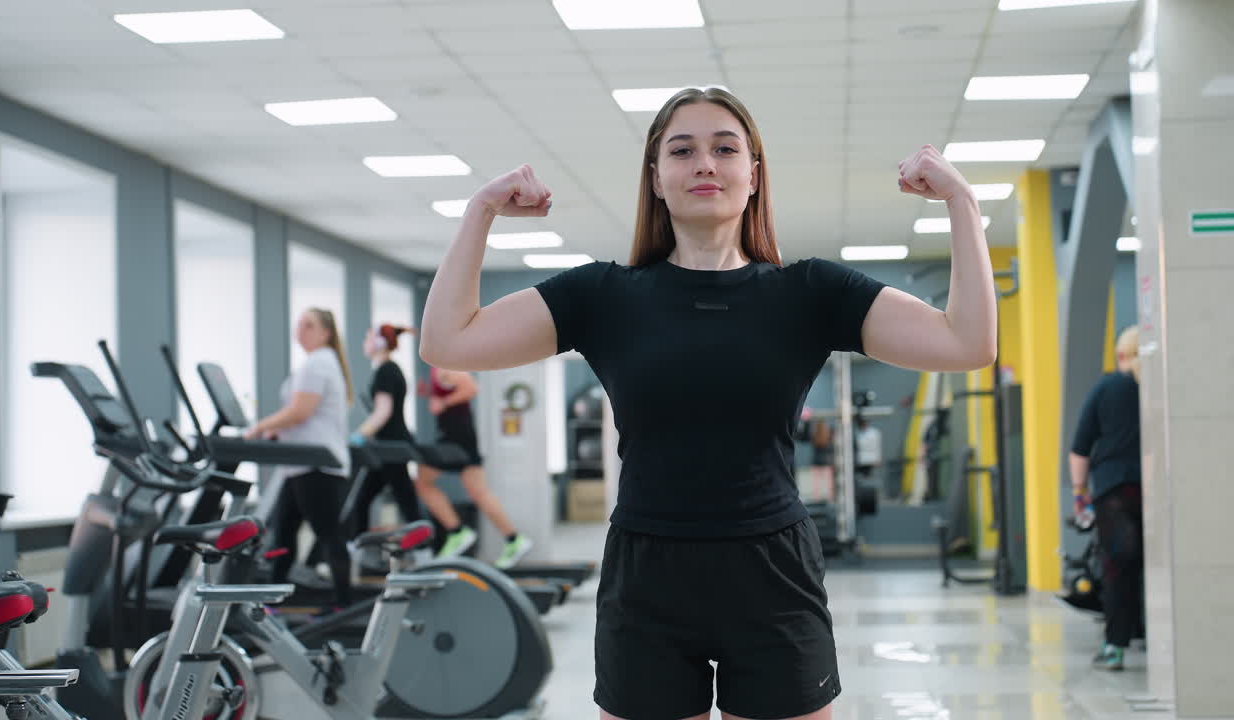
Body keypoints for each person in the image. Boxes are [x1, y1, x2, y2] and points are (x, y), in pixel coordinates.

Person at [419, 87, 997, 720]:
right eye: (682, 150)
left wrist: (962, 203)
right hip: (646, 574)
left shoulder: (809, 293)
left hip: (772, 569)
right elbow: (449, 340)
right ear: (657, 178)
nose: (705, 164)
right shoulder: (603, 296)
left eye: (725, 148)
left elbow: (967, 343)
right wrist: (480, 211)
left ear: (753, 174)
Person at [245, 308, 353, 609]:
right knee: (284, 534)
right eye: (299, 324)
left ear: (325, 332)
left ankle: (343, 604)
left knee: (328, 535)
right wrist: (276, 433)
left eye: (309, 325)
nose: (301, 330)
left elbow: (300, 411)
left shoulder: (318, 364)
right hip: (303, 465)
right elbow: (305, 416)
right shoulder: (320, 363)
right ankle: (272, 603)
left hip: (316, 466)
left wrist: (260, 427)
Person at [1069, 325, 1144, 672]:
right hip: (1159, 487)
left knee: (1117, 568)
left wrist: (1079, 492)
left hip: (1116, 492)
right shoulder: (1161, 386)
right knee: (1160, 566)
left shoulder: (1107, 386)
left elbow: (1081, 447)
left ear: (1120, 355)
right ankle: (1157, 635)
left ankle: (1114, 647)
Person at [414, 367, 534, 569]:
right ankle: (514, 539)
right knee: (478, 492)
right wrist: (429, 393)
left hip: (455, 440)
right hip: (461, 438)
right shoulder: (438, 366)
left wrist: (443, 402)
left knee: (423, 481)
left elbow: (471, 387)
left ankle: (457, 532)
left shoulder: (444, 363)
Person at [347, 323, 423, 529]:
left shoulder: (387, 371)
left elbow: (383, 412)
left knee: (405, 502)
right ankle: (359, 549)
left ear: (380, 343)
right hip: (387, 446)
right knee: (363, 501)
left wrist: (358, 435)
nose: (365, 342)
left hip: (392, 447)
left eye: (368, 337)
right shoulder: (386, 369)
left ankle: (426, 548)